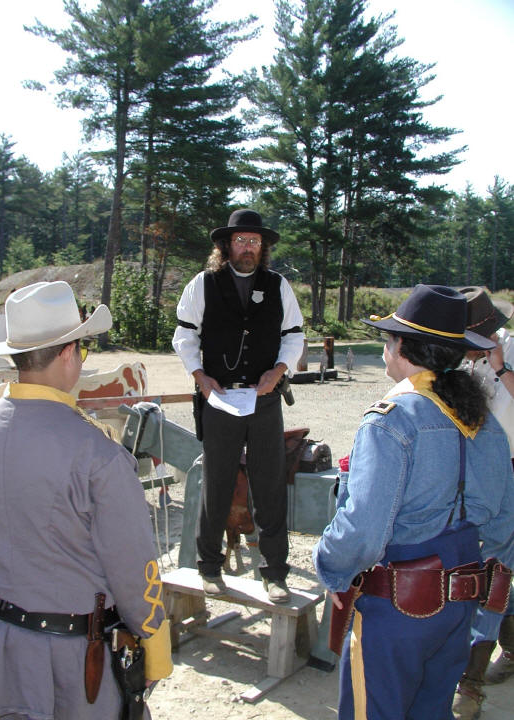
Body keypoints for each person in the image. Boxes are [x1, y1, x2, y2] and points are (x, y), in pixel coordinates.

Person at [313, 284, 514, 720]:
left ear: (400, 345)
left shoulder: (391, 421)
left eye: (388, 339)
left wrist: (332, 568)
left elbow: (363, 532)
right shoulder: (483, 421)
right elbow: (502, 526)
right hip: (460, 601)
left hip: (398, 606)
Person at [0, 281, 173, 720]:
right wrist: (154, 643)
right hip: (72, 665)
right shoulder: (99, 455)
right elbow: (133, 567)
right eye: (82, 351)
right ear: (68, 354)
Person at [172, 209, 304, 603]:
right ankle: (209, 567)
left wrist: (278, 371)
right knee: (217, 482)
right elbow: (184, 337)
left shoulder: (278, 285)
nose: (248, 247)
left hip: (264, 399)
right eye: (241, 240)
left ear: (262, 247)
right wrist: (201, 378)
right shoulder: (203, 284)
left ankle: (275, 573)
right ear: (226, 245)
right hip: (219, 397)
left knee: (269, 483)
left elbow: (294, 336)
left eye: (255, 241)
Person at [452, 286, 514, 720]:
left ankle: (469, 685)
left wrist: (502, 366)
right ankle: (509, 647)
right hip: (471, 474)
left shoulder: (509, 349)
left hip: (510, 468)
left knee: (496, 567)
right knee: (492, 568)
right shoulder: (460, 355)